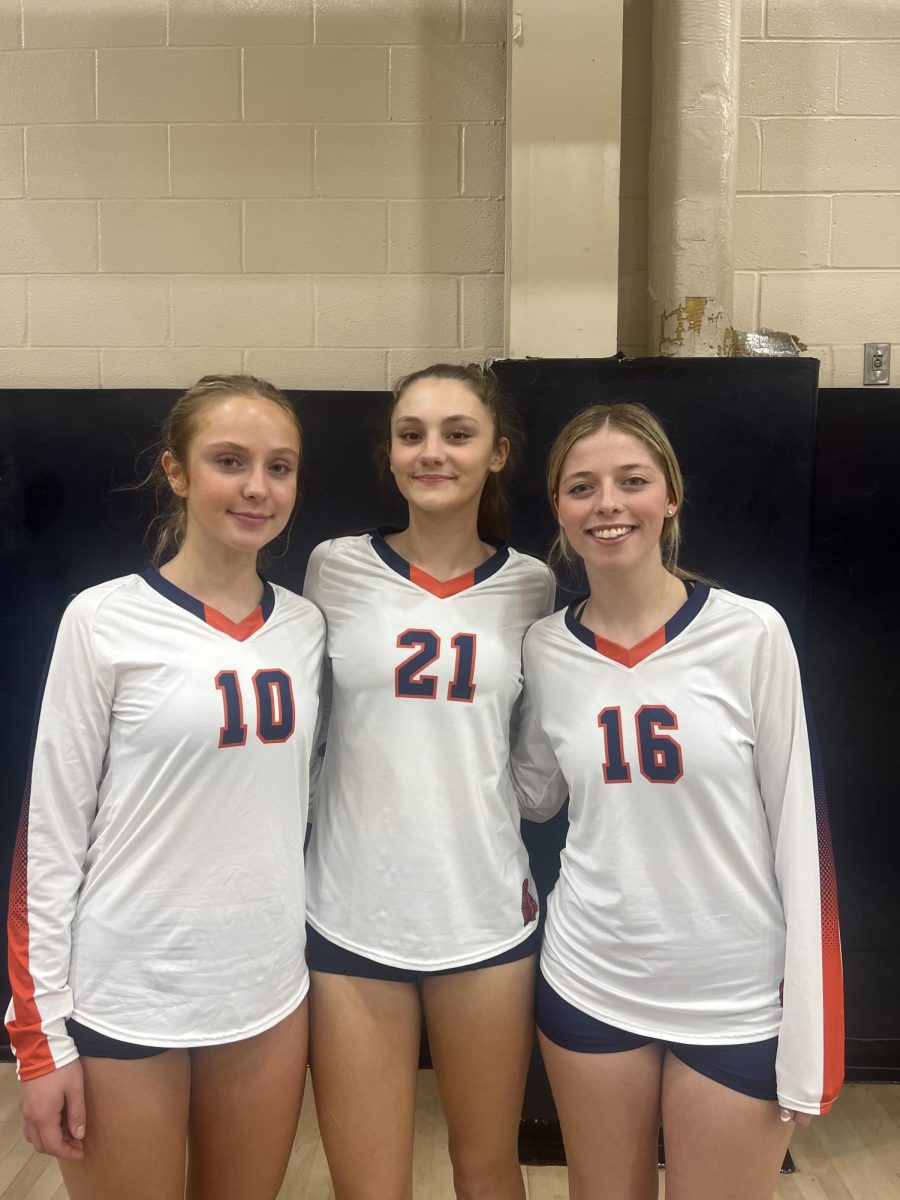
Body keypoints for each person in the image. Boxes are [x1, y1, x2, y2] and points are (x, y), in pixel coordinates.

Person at [513, 402, 844, 1200]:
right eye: (582, 486)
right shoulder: (545, 646)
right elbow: (529, 793)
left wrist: (810, 1032)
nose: (608, 505)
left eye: (633, 481)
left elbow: (800, 832)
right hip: (590, 977)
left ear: (671, 498)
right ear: (558, 507)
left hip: (732, 992)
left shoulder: (751, 634)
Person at [6, 375, 325, 1200]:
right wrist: (39, 1040)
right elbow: (50, 836)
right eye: (229, 461)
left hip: (265, 992)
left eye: (279, 466)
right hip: (127, 996)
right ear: (175, 473)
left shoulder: (304, 626)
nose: (258, 487)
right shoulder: (102, 619)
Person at [303, 363, 556, 1200]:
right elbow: (316, 738)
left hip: (482, 913)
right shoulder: (334, 569)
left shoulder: (531, 586)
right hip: (351, 913)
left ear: (498, 453)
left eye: (457, 434)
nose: (432, 452)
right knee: (369, 1182)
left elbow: (532, 776)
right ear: (389, 453)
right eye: (411, 434)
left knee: (486, 1167)